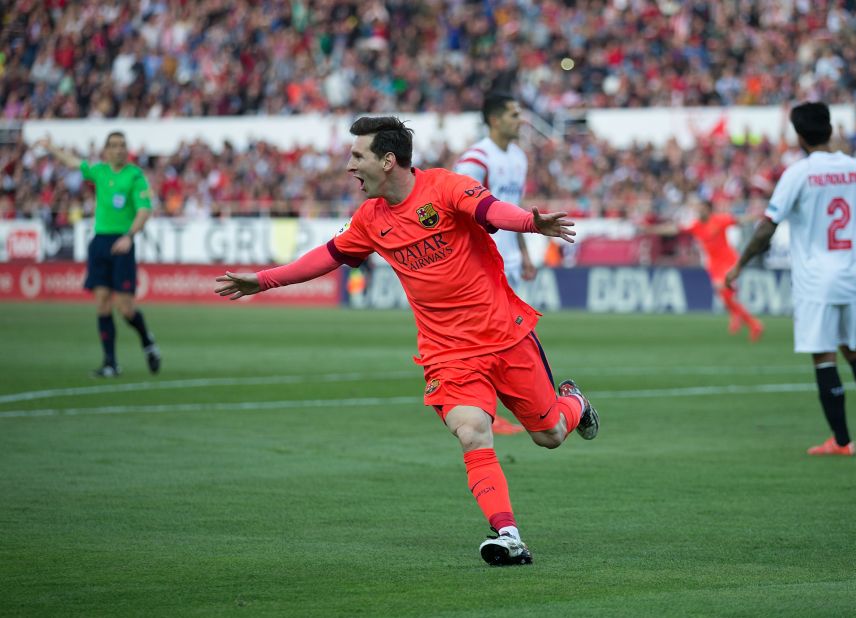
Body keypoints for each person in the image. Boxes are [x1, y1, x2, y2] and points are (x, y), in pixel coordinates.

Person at [215, 116, 599, 566]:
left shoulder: (446, 187)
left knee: (550, 434)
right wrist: (262, 281)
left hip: (504, 335)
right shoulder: (369, 219)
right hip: (448, 353)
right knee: (473, 432)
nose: (349, 166)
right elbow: (326, 257)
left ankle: (575, 403)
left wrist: (532, 225)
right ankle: (508, 534)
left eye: (357, 156)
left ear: (388, 159)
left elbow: (491, 210)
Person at [726, 102, 856, 456]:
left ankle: (842, 441)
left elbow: (768, 226)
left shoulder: (798, 174)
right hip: (852, 276)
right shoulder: (855, 167)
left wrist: (740, 265)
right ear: (830, 129)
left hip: (816, 279)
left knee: (824, 357)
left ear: (799, 136)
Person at [39, 133, 161, 377]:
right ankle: (110, 363)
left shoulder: (134, 176)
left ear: (127, 149)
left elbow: (145, 210)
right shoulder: (100, 171)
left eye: (122, 145)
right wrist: (50, 146)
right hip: (100, 242)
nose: (118, 149)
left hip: (122, 242)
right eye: (113, 146)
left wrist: (129, 236)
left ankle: (147, 340)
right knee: (102, 303)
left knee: (125, 308)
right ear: (106, 150)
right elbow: (74, 163)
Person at [454, 92, 536, 435]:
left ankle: (492, 410)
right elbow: (457, 211)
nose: (521, 120)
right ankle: (485, 412)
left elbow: (514, 207)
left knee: (503, 340)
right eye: (515, 114)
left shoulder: (518, 157)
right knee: (487, 341)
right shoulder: (475, 159)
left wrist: (525, 254)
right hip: (482, 265)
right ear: (495, 119)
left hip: (511, 262)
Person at [640, 197, 764, 341]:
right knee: (724, 294)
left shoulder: (719, 220)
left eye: (701, 208)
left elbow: (739, 220)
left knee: (722, 288)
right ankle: (735, 315)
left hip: (728, 261)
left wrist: (758, 215)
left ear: (708, 209)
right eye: (698, 208)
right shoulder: (696, 225)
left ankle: (754, 324)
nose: (698, 210)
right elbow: (674, 229)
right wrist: (652, 229)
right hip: (713, 264)